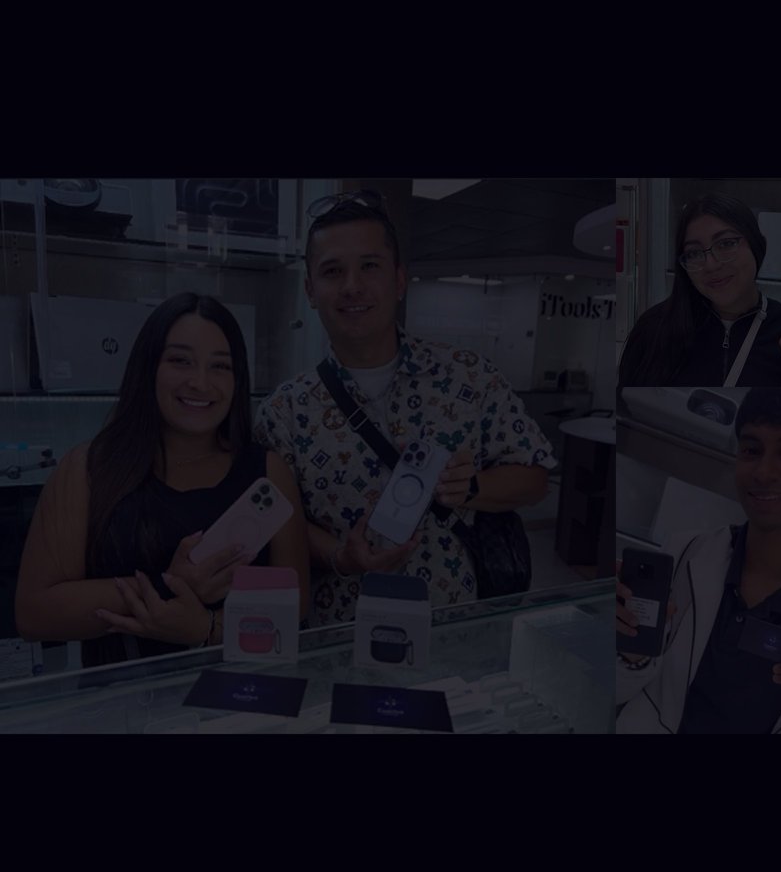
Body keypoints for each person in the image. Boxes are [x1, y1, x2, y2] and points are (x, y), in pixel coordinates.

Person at [255, 190, 556, 626]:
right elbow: (278, 521)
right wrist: (340, 555)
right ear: (311, 291)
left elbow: (535, 478)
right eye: (332, 271)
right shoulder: (283, 412)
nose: (352, 285)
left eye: (370, 266)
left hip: (452, 629)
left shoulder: (471, 379)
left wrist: (473, 487)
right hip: (338, 634)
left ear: (398, 280)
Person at [16, 293, 310, 667]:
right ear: (148, 367)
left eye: (220, 366)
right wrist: (169, 585)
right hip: (124, 711)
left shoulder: (268, 473)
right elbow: (34, 614)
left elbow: (295, 608)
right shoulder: (87, 469)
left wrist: (204, 627)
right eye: (180, 361)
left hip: (242, 704)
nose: (200, 383)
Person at [613, 388, 781, 733]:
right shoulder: (682, 555)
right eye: (752, 450)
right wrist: (629, 654)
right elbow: (619, 693)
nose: (764, 472)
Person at [619, 193, 781, 388]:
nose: (711, 265)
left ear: (757, 245)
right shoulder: (653, 330)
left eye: (726, 244)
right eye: (694, 253)